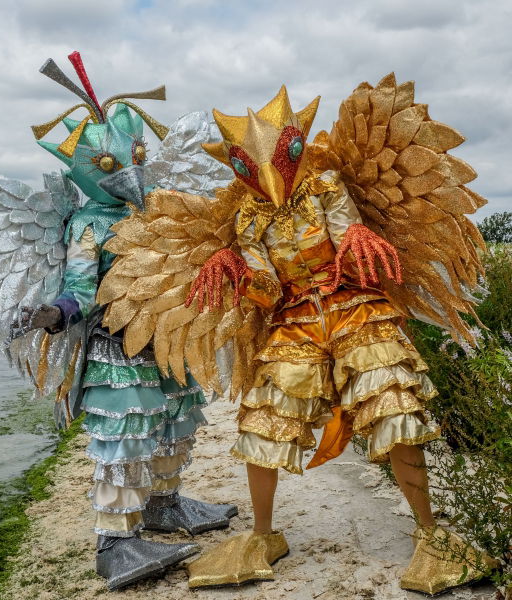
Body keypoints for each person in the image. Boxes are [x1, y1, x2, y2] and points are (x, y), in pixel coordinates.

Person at [180, 79, 496, 595]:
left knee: (393, 402)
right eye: (249, 168)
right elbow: (267, 287)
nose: (269, 180)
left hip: (353, 308)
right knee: (266, 418)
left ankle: (430, 533)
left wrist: (357, 240)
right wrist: (238, 270)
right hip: (296, 319)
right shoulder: (248, 217)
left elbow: (347, 236)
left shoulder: (325, 186)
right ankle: (262, 536)